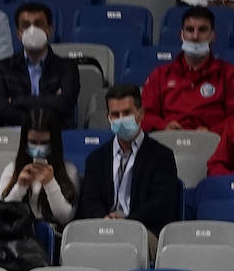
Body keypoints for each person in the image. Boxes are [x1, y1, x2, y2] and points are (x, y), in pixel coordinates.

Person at [76, 85, 184, 253]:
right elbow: (90, 201)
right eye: (115, 115)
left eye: (127, 113)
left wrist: (126, 223)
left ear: (140, 113)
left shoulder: (162, 157)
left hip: (143, 230)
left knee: (126, 244)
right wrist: (105, 221)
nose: (121, 119)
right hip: (102, 229)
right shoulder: (96, 159)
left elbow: (161, 204)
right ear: (108, 117)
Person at [0, 2, 81, 128]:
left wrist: (16, 101)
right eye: (26, 25)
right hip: (11, 136)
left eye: (38, 24)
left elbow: (64, 104)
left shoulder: (67, 67)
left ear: (49, 31)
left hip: (54, 135)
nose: (32, 30)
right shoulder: (2, 68)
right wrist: (39, 114)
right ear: (18, 34)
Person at [142, 6, 234, 132]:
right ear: (181, 35)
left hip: (214, 145)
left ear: (213, 36)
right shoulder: (160, 75)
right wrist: (163, 126)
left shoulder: (228, 74)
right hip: (168, 142)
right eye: (190, 30)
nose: (195, 36)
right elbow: (144, 115)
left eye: (202, 30)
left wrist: (213, 131)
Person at [0, 106, 78, 228]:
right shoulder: (11, 170)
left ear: (54, 142)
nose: (39, 148)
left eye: (45, 142)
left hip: (55, 238)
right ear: (25, 141)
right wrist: (20, 187)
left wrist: (50, 183)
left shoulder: (70, 171)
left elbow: (66, 218)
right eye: (33, 142)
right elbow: (4, 215)